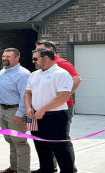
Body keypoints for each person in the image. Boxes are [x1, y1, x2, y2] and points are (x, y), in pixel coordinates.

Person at [25, 49, 74, 173]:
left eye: (35, 59)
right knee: (40, 146)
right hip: (35, 116)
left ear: (46, 57)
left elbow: (64, 96)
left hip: (55, 117)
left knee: (59, 148)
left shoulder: (61, 74)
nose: (33, 61)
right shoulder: (34, 74)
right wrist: (28, 107)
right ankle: (46, 169)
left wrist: (43, 109)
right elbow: (27, 92)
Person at [35, 40, 81, 173]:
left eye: (40, 49)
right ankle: (49, 167)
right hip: (45, 109)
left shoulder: (61, 63)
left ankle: (69, 169)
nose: (37, 52)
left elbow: (77, 79)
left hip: (61, 108)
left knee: (61, 140)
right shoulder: (42, 66)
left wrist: (63, 96)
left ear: (49, 50)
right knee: (46, 139)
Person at [0, 48, 31, 173]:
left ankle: (23, 170)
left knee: (20, 142)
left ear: (17, 58)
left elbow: (25, 96)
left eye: (8, 56)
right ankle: (13, 167)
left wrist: (19, 114)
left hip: (15, 111)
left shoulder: (22, 74)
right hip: (3, 111)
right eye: (4, 56)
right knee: (10, 140)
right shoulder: (2, 72)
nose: (4, 58)